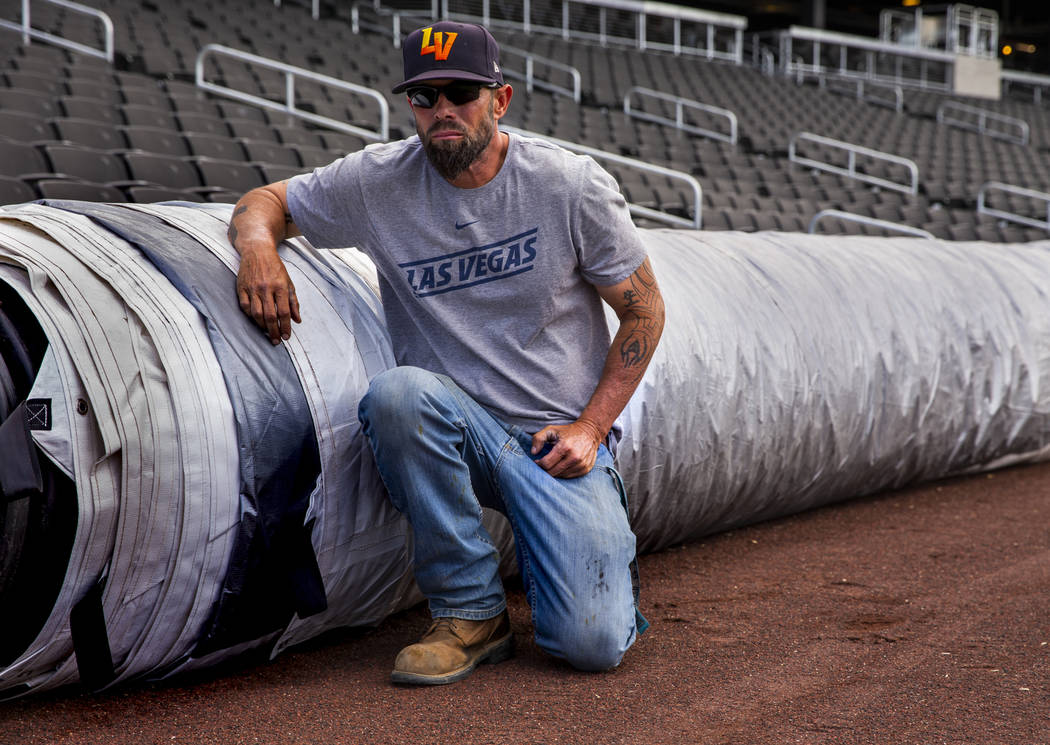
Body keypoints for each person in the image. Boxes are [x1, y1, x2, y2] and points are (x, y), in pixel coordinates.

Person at [227, 20, 665, 685]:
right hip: (454, 428)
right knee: (398, 394)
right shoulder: (379, 181)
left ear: (501, 99)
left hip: (555, 442)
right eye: (424, 97)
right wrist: (258, 248)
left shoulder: (567, 184)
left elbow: (644, 309)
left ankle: (593, 573)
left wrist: (591, 428)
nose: (442, 112)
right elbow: (267, 200)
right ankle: (471, 611)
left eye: (460, 92)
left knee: (591, 646)